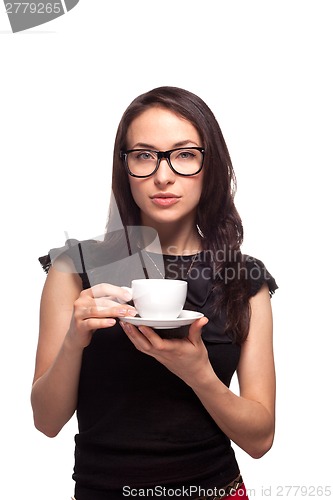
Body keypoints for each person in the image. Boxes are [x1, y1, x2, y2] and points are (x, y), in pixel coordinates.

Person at [32, 86, 278, 500]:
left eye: (183, 155)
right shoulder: (74, 269)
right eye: (144, 155)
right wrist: (74, 340)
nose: (162, 175)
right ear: (124, 168)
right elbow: (47, 421)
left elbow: (260, 439)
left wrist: (198, 374)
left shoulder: (244, 278)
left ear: (209, 165)